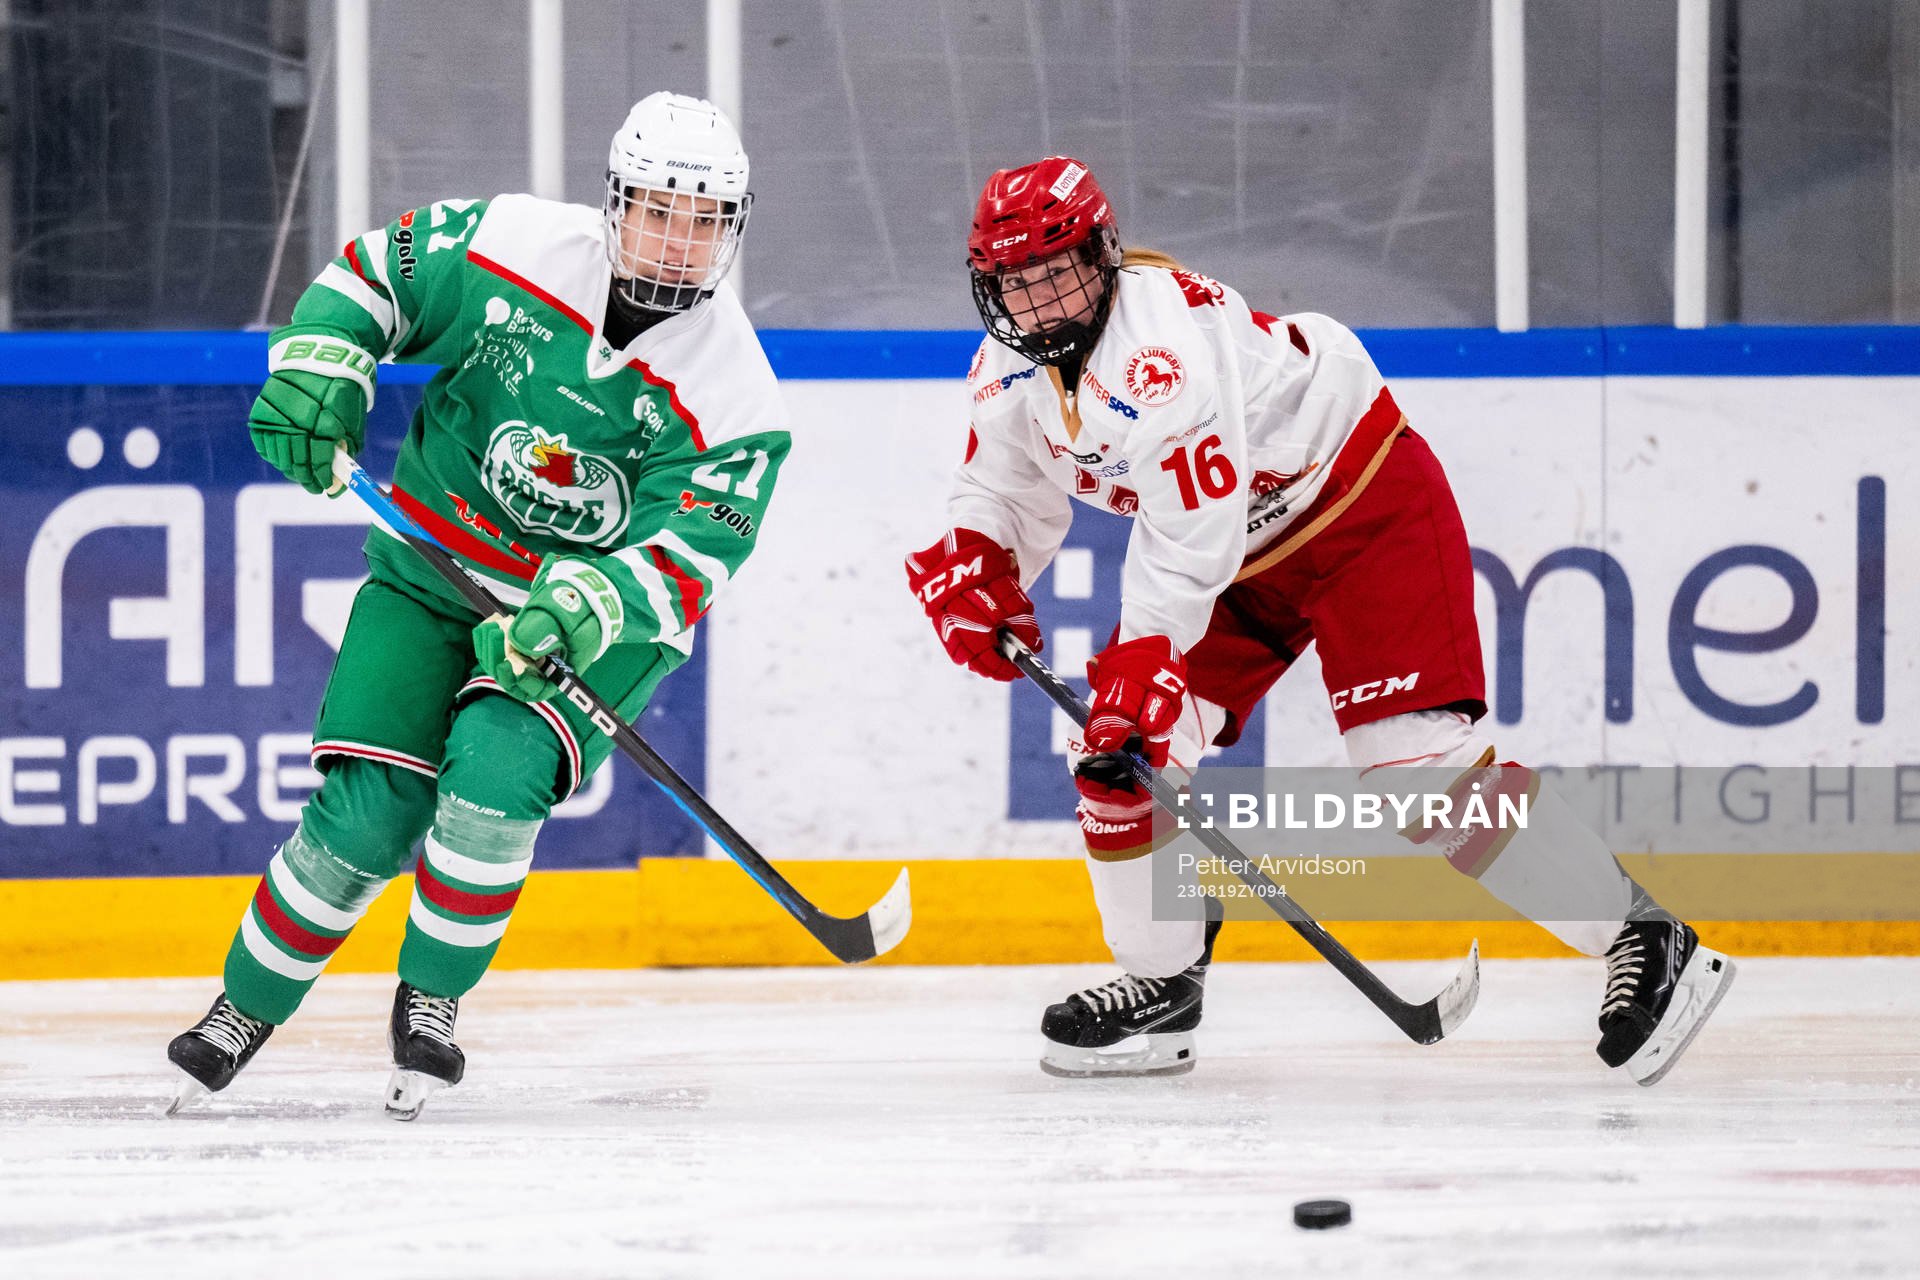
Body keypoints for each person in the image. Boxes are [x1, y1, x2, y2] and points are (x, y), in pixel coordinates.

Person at [905, 156, 1735, 1084]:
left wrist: (1143, 656)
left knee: (1418, 774)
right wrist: (981, 559)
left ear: (1103, 256)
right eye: (1017, 286)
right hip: (1237, 559)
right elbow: (1002, 485)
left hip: (1359, 505)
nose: (1043, 305)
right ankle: (1162, 983)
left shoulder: (1160, 347)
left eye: (1059, 275)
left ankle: (1647, 936)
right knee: (1120, 766)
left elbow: (1190, 534)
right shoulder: (1008, 368)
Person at [167, 92, 788, 1119]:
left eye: (702, 220)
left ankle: (433, 1000)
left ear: (732, 228)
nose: (677, 242)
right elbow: (375, 276)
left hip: (590, 623)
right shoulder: (513, 244)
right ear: (614, 203)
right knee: (369, 813)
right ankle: (245, 1005)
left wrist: (580, 604)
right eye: (656, 211)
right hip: (431, 565)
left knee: (495, 779)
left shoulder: (738, 396)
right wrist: (324, 363)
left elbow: (699, 549)